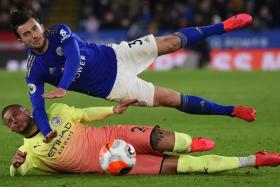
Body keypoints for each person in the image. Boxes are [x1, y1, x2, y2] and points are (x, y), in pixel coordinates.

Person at [10, 9, 256, 142]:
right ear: (20, 40)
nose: (34, 34)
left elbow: (73, 57)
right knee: (172, 99)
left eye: (35, 27)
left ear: (41, 25)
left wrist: (63, 86)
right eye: (26, 33)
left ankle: (223, 26)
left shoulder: (60, 31)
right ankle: (232, 110)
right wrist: (46, 130)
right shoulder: (34, 72)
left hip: (117, 55)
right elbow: (38, 108)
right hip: (115, 88)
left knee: (170, 42)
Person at [2, 101, 280, 176]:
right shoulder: (29, 151)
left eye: (15, 113)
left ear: (26, 110)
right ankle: (254, 159)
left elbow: (85, 114)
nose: (15, 120)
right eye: (9, 122)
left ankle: (189, 142)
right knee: (186, 167)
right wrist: (15, 165)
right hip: (112, 164)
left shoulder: (56, 113)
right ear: (12, 130)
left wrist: (113, 110)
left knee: (159, 139)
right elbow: (19, 173)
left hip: (113, 135)